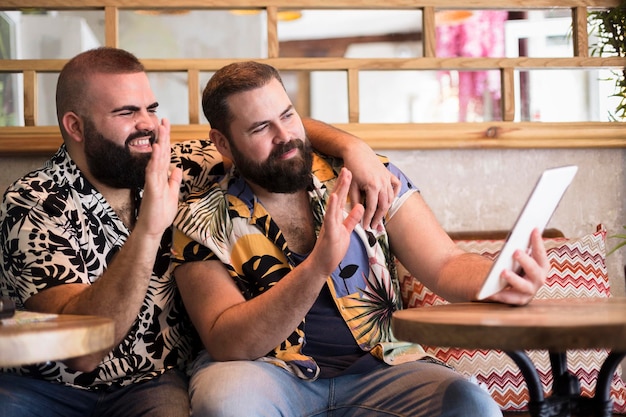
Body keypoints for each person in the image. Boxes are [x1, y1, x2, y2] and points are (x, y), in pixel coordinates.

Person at [0, 48, 398, 417]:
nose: (147, 124)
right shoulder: (32, 205)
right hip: (47, 389)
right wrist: (149, 229)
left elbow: (265, 125)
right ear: (76, 126)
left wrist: (353, 147)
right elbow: (81, 353)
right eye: (126, 113)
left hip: (154, 383)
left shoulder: (177, 163)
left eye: (151, 109)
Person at [171, 61, 551, 417]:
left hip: (382, 367)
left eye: (288, 116)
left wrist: (500, 277)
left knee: (472, 406)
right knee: (226, 404)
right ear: (222, 143)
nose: (285, 136)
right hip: (266, 373)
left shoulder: (365, 176)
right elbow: (227, 340)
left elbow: (445, 262)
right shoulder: (198, 220)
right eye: (260, 128)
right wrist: (318, 265)